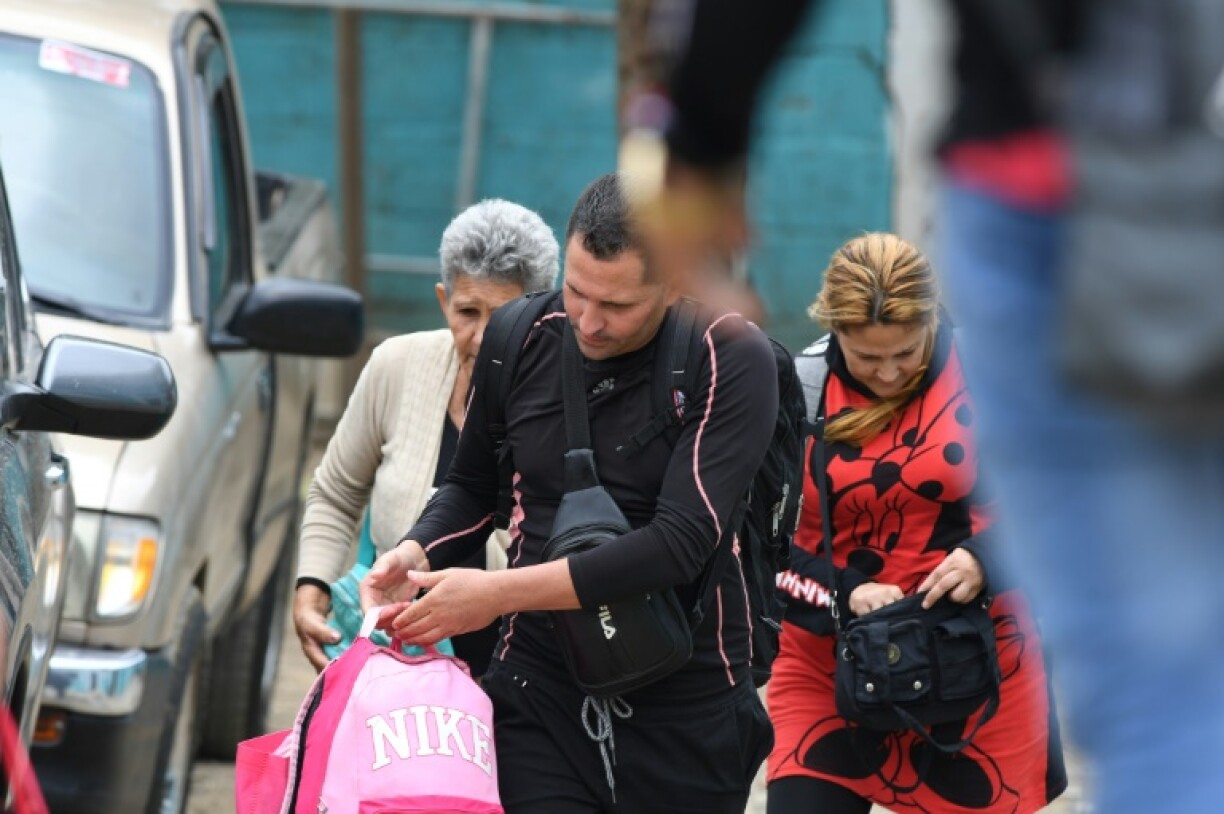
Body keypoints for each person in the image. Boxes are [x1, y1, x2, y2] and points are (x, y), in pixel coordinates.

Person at [360, 173, 777, 814]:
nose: (588, 321)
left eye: (617, 306)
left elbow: (679, 543)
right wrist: (415, 550)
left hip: (687, 700)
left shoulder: (729, 354)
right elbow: (473, 487)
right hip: (540, 685)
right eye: (577, 291)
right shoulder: (519, 337)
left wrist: (495, 595)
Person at [766, 233, 1065, 813]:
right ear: (833, 332)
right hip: (831, 666)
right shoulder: (799, 391)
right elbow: (762, 546)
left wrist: (986, 558)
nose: (888, 373)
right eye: (866, 357)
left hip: (976, 665)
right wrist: (845, 593)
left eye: (906, 351)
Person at [293, 199, 559, 674]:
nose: (481, 336)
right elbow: (336, 493)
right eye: (467, 311)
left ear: (542, 313)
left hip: (521, 678)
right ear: (443, 301)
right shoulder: (397, 366)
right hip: (399, 676)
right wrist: (311, 589)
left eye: (502, 317)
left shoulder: (567, 400)